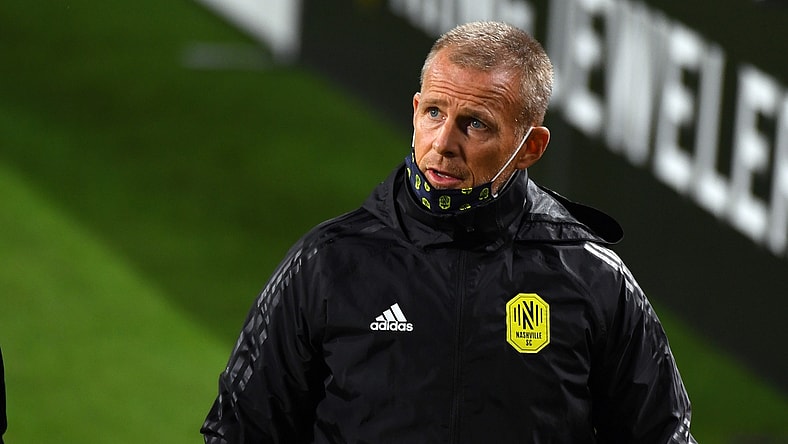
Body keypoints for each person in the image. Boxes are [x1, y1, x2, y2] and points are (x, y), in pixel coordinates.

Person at [201, 21, 695, 443]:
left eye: (475, 124)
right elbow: (239, 429)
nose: (442, 144)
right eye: (434, 112)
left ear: (531, 147)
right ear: (415, 109)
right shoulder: (328, 262)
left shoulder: (592, 278)